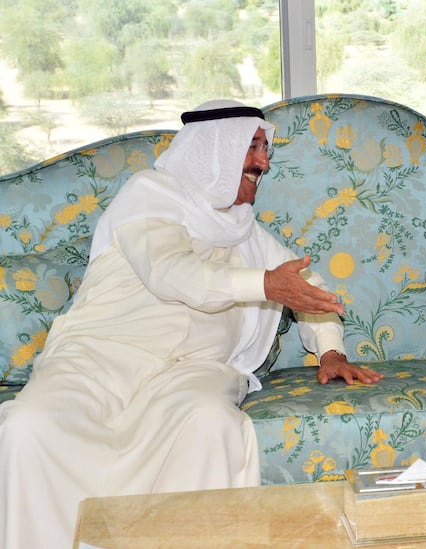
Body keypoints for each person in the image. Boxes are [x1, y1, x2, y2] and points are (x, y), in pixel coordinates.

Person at [0, 99, 383, 548]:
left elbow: (308, 286)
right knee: (29, 425)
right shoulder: (148, 198)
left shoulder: (245, 232)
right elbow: (172, 274)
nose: (263, 162)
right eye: (253, 147)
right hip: (99, 357)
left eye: (266, 150)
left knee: (209, 424)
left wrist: (331, 349)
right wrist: (265, 285)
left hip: (192, 370)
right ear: (213, 151)